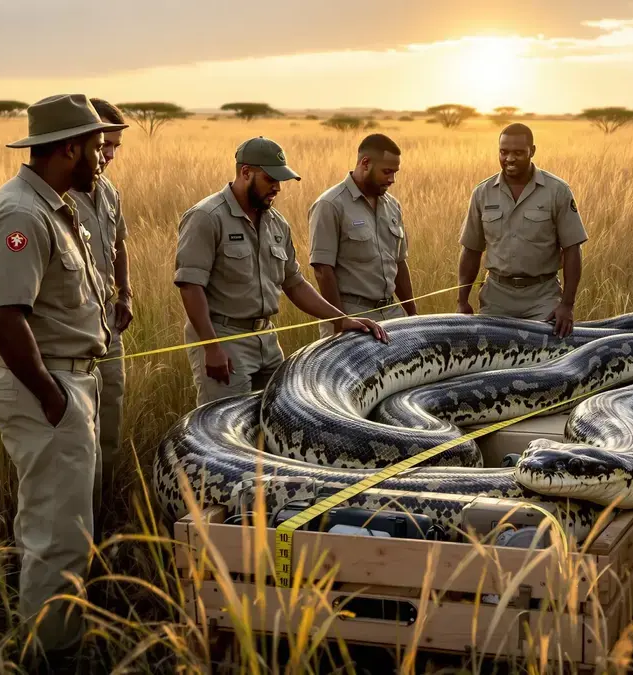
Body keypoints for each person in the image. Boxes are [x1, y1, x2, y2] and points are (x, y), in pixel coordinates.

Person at [0, 93, 124, 663]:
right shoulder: (21, 214)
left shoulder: (55, 204)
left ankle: (57, 641)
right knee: (57, 542)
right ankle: (50, 657)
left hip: (67, 384)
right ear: (68, 149)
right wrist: (53, 397)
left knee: (61, 532)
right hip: (48, 389)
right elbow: (4, 318)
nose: (104, 156)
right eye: (95, 146)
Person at [175, 136, 386, 406]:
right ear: (245, 172)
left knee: (270, 421)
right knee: (226, 430)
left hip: (267, 340)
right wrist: (212, 347)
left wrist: (340, 318)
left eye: (280, 181)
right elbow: (190, 286)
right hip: (225, 339)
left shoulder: (277, 223)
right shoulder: (206, 217)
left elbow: (294, 283)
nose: (277, 188)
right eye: (269, 179)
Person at [455, 123, 587, 337]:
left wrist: (567, 305)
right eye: (503, 152)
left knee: (543, 360)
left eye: (518, 153)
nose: (509, 159)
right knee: (494, 359)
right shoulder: (482, 193)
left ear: (532, 151)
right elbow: (471, 250)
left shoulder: (557, 191)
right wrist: (462, 301)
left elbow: (573, 249)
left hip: (542, 297)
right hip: (496, 297)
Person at [69, 98, 131, 522]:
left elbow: (119, 242)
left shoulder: (108, 191)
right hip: (71, 337)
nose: (108, 155)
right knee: (76, 444)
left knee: (109, 428)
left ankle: (102, 520)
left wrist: (125, 292)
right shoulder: (57, 194)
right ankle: (76, 529)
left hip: (110, 328)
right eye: (103, 145)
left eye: (115, 147)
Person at [309, 133, 416, 337]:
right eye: (387, 172)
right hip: (353, 317)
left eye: (395, 172)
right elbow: (323, 270)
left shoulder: (393, 206)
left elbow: (400, 263)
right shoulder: (330, 205)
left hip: (393, 315)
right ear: (365, 163)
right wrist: (341, 322)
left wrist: (412, 314)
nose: (392, 179)